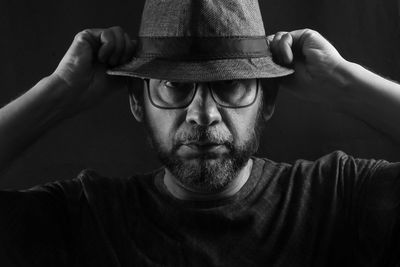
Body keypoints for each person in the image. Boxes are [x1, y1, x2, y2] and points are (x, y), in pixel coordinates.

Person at [1, 0, 400, 266]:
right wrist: (58, 92)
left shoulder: (336, 197)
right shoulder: (87, 217)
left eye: (229, 85)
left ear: (268, 100)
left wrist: (346, 82)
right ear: (137, 102)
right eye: (174, 86)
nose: (203, 115)